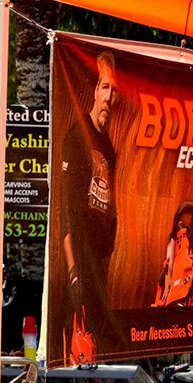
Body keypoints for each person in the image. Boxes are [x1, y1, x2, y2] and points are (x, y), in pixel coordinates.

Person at [60, 50, 119, 364]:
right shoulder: (77, 136)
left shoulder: (108, 145)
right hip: (79, 261)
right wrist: (72, 271)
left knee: (99, 349)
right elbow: (66, 210)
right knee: (77, 350)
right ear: (95, 91)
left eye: (114, 90)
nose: (109, 96)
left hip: (100, 261)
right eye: (104, 88)